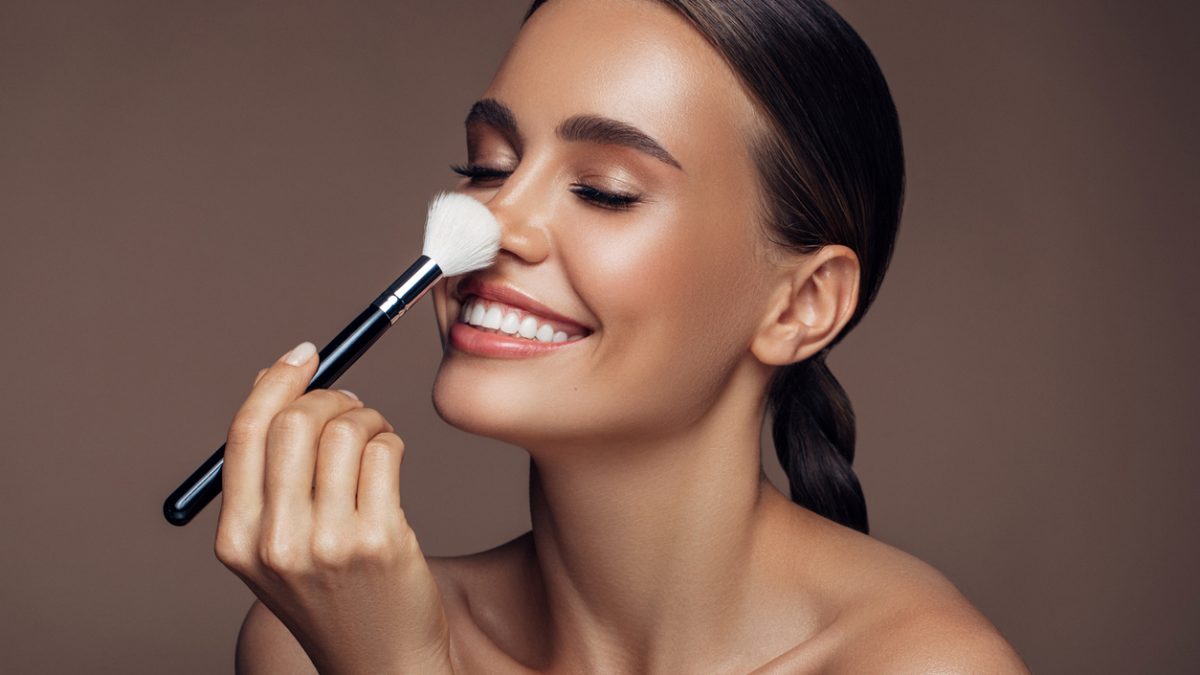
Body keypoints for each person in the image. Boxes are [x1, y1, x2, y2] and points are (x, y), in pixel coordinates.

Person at [214, 0, 1030, 672]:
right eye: (487, 167)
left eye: (604, 191)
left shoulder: (920, 664)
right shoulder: (314, 632)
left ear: (801, 304)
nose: (493, 220)